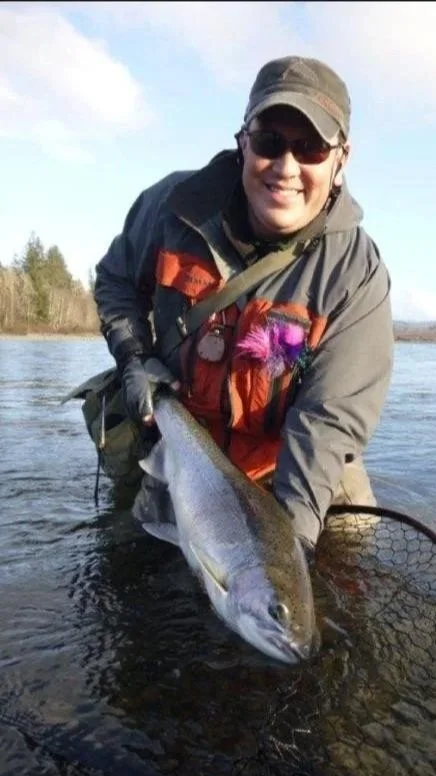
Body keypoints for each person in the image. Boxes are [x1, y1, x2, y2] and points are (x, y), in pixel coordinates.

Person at [93, 55, 394, 552]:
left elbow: (325, 425)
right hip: (184, 450)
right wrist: (133, 357)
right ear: (243, 142)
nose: (286, 167)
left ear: (341, 161)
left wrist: (287, 550)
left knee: (328, 572)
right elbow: (116, 279)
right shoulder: (172, 207)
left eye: (311, 148)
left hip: (291, 468)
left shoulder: (355, 275)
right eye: (270, 141)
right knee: (132, 562)